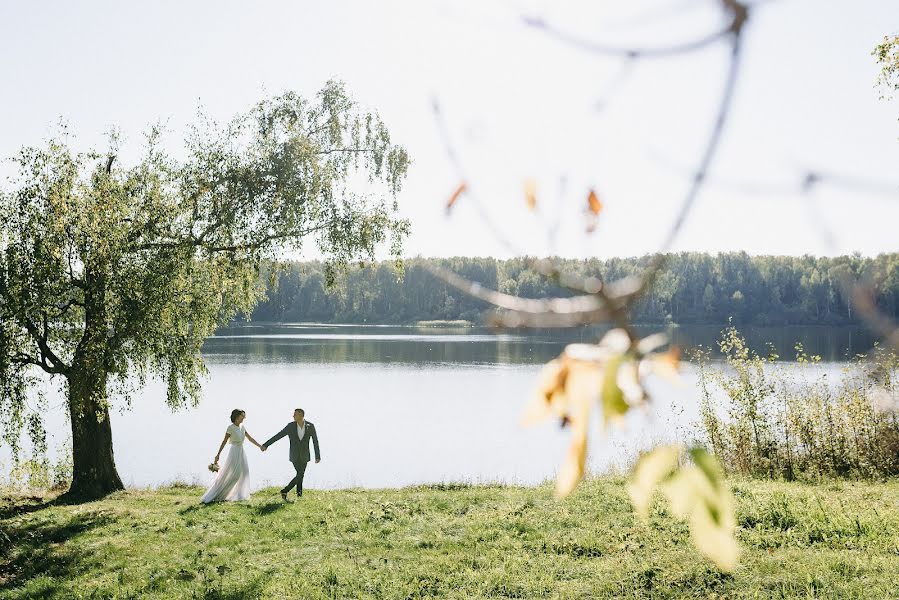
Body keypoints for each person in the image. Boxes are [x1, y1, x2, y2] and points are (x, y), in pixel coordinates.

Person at [201, 409, 264, 503]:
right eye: (242, 416)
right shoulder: (230, 428)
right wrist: (218, 455)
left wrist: (260, 446)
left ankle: (240, 495)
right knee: (235, 474)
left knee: (245, 472)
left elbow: (250, 438)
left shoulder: (242, 427)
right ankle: (219, 494)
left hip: (241, 451)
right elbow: (224, 441)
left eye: (244, 416)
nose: (244, 418)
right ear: (236, 416)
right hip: (234, 451)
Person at [261, 408, 321, 501]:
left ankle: (298, 495)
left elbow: (315, 441)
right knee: (300, 474)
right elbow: (278, 435)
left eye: (295, 414)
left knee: (300, 474)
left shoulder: (310, 426)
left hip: (305, 455)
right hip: (294, 455)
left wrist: (317, 456)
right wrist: (266, 444)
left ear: (301, 415)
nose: (293, 416)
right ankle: (286, 491)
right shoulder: (290, 426)